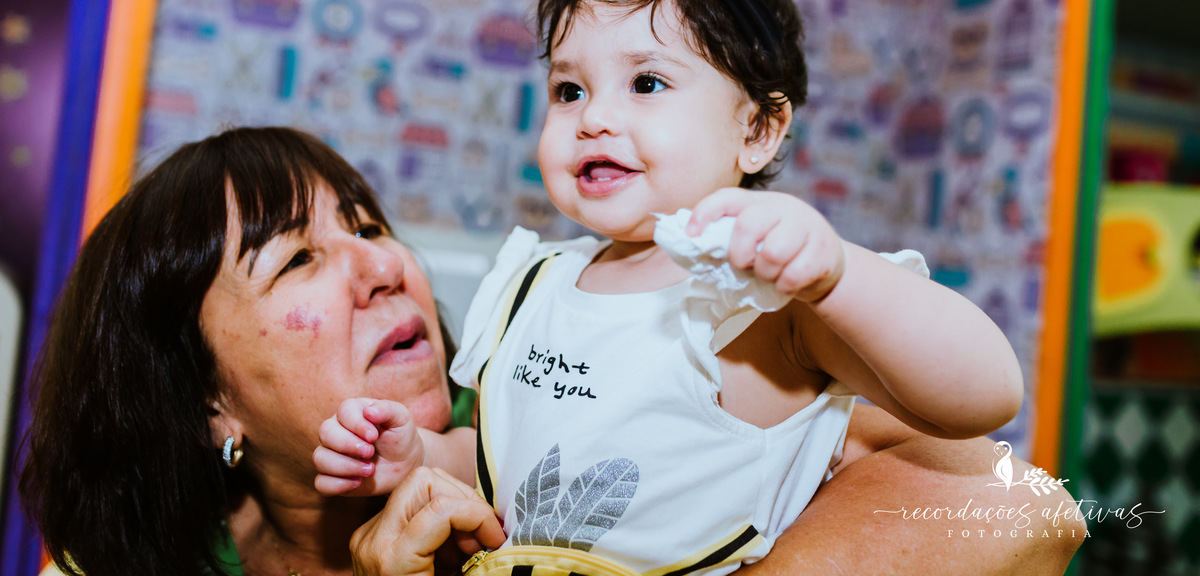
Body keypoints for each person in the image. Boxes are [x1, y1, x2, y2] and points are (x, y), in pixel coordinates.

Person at [315, 0, 1029, 574]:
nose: (594, 117)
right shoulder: (532, 284)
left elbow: (984, 396)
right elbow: (512, 465)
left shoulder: (765, 301)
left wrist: (838, 279)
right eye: (569, 89)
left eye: (647, 81)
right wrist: (422, 455)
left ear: (758, 130)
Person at [19, 127, 1078, 576]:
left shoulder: (537, 420)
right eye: (299, 259)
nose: (384, 266)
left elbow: (1025, 503)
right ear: (203, 399)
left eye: (370, 224)